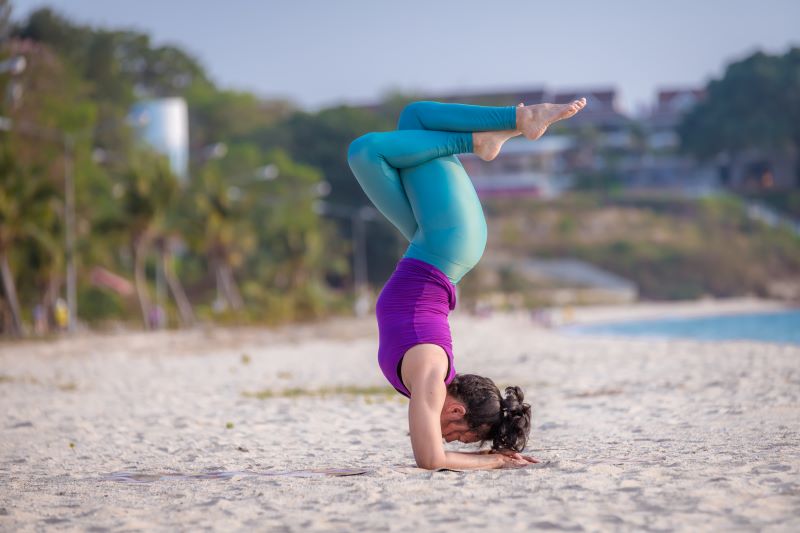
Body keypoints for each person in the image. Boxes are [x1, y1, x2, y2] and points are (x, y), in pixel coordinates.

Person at [347, 98, 586, 470]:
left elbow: (435, 455)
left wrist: (493, 453)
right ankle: (490, 136)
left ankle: (502, 130)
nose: (449, 439)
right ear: (457, 410)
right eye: (462, 436)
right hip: (447, 243)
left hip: (433, 242)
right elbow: (431, 459)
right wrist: (496, 463)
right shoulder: (429, 375)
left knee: (415, 119)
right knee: (364, 151)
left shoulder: (430, 372)